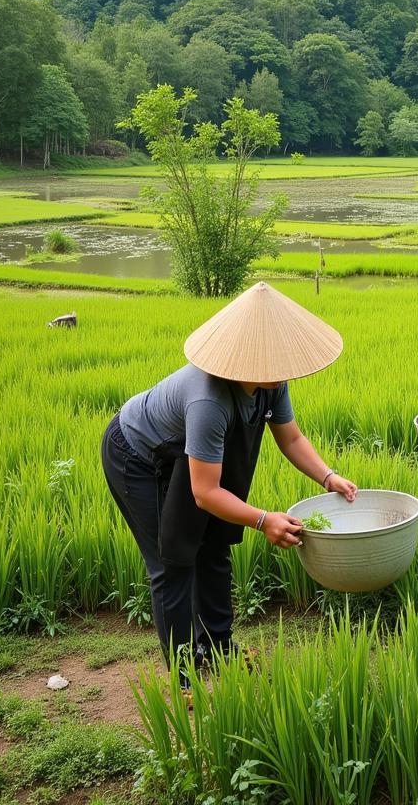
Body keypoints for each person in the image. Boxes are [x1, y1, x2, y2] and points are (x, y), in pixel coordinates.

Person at [101, 282, 356, 680]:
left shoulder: (271, 382)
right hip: (137, 454)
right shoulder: (210, 400)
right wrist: (261, 519)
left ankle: (219, 649)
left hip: (187, 455)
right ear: (245, 358)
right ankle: (184, 673)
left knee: (214, 545)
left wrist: (328, 476)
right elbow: (205, 492)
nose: (280, 370)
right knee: (174, 562)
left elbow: (291, 437)